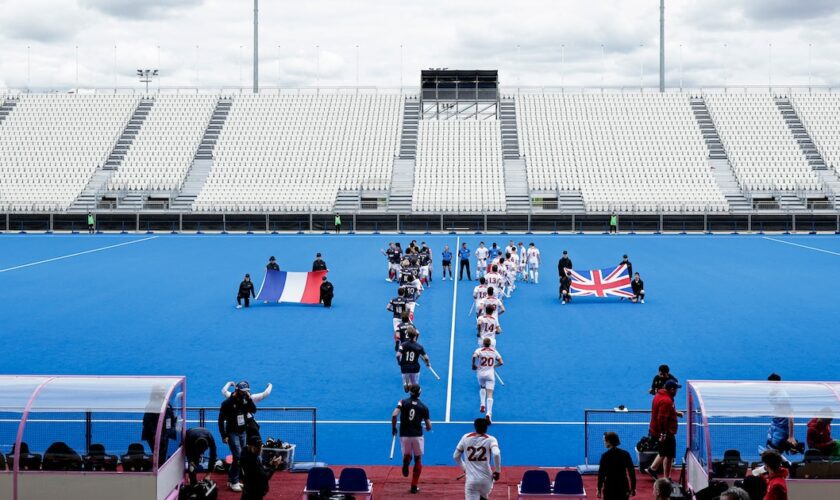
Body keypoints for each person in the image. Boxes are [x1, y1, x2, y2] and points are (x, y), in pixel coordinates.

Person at [392, 384, 431, 494]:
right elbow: (429, 426)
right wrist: (427, 427)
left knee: (407, 454)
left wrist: (394, 428)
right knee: (418, 459)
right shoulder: (423, 407)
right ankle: (414, 486)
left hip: (404, 434)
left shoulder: (402, 402)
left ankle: (406, 461)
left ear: (410, 392)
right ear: (419, 393)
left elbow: (394, 415)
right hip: (417, 435)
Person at [218, 381, 258, 492]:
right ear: (237, 390)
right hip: (232, 433)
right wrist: (223, 435)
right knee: (238, 457)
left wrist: (249, 399)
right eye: (243, 391)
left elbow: (253, 410)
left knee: (240, 457)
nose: (245, 393)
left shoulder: (245, 399)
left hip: (243, 432)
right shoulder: (227, 403)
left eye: (247, 391)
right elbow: (221, 421)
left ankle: (231, 480)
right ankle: (234, 482)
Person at [453, 417, 501, 500]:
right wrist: (497, 471)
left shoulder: (465, 438)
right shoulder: (491, 439)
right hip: (486, 480)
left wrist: (465, 468)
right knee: (483, 497)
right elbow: (496, 454)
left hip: (471, 481)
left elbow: (456, 456)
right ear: (486, 428)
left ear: (475, 426)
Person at [645, 380, 683, 481]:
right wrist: (663, 434)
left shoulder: (659, 395)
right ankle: (663, 476)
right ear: (671, 389)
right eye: (676, 389)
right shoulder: (667, 401)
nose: (677, 391)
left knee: (665, 452)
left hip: (660, 431)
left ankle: (655, 470)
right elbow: (661, 418)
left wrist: (675, 413)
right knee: (669, 454)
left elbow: (663, 412)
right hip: (666, 432)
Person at [766, 373, 802, 455]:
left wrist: (791, 436)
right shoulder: (771, 392)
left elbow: (791, 416)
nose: (769, 386)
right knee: (769, 445)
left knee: (775, 450)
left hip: (782, 428)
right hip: (775, 423)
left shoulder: (783, 397)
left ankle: (779, 465)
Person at [239, 434, 283, 500]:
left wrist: (270, 464)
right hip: (254, 493)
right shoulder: (251, 462)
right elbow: (264, 477)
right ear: (250, 446)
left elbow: (260, 471)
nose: (260, 450)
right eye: (257, 447)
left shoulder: (246, 454)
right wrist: (274, 466)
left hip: (248, 490)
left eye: (261, 447)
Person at [596, 431, 636, 500]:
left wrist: (599, 489)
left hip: (609, 488)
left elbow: (601, 475)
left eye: (604, 440)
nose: (604, 442)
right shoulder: (625, 454)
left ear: (608, 441)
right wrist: (633, 488)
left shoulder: (605, 456)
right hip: (623, 488)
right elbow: (632, 472)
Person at [473, 337, 503, 423]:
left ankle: (482, 404)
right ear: (490, 344)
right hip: (490, 374)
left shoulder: (479, 350)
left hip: (480, 373)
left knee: (482, 387)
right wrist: (494, 366)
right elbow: (501, 362)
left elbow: (474, 356)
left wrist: (473, 364)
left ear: (483, 343)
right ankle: (489, 413)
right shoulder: (494, 351)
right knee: (490, 394)